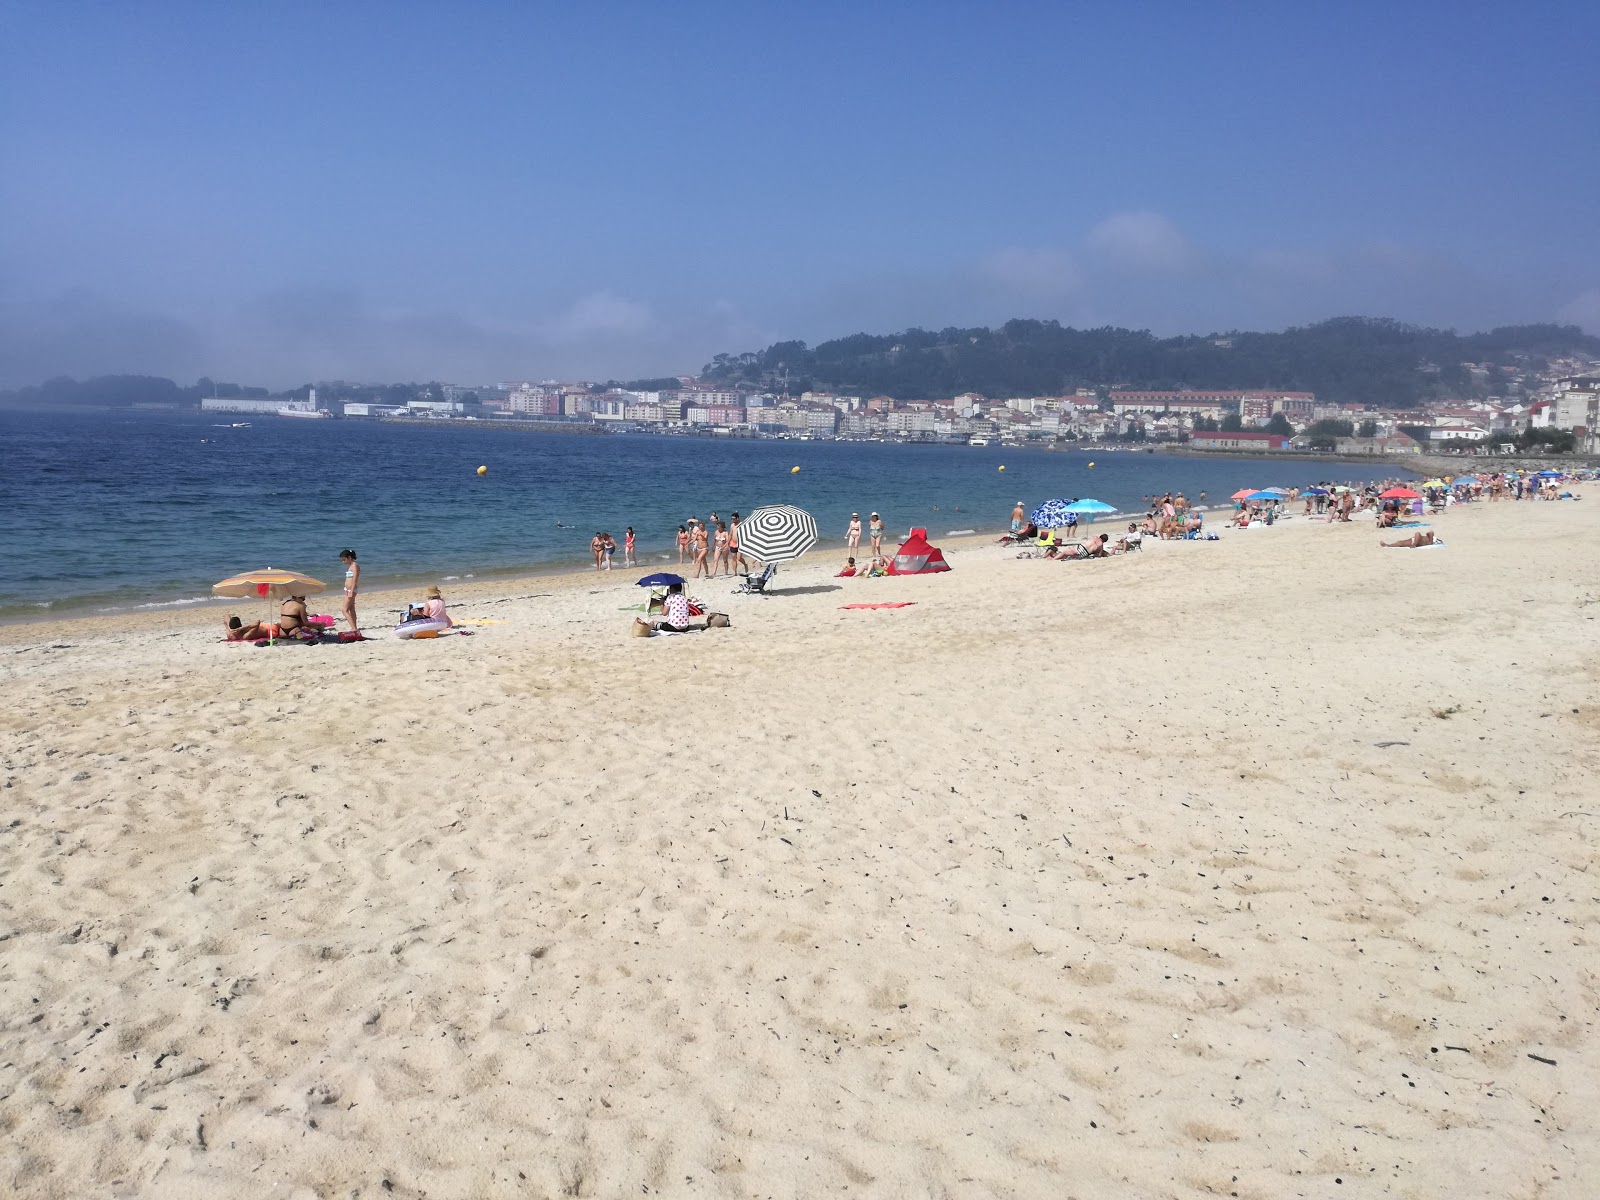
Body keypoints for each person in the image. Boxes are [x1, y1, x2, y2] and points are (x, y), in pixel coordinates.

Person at [338, 549, 360, 632]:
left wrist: (351, 590)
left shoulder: (355, 566)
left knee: (344, 609)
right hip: (348, 589)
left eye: (344, 559)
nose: (343, 562)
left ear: (349, 557)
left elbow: (355, 579)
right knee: (351, 609)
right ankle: (354, 627)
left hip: (352, 589)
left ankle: (354, 628)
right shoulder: (350, 566)